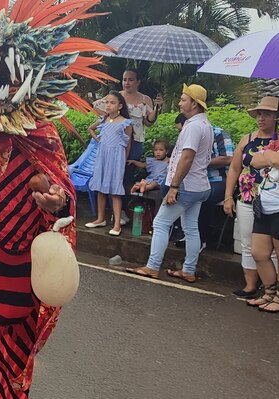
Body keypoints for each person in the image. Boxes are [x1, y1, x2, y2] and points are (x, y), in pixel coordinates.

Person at [126, 84, 213, 283]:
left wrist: (174, 187)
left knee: (161, 223)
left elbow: (187, 158)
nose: (180, 103)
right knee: (191, 228)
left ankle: (152, 266)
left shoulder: (193, 127)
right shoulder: (204, 124)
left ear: (194, 104)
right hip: (200, 186)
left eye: (183, 99)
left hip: (186, 186)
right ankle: (188, 270)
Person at [224, 97, 279, 298]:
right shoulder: (247, 140)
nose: (261, 118)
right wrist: (228, 196)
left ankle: (272, 288)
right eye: (259, 114)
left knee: (273, 247)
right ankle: (250, 284)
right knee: (248, 242)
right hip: (248, 197)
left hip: (273, 200)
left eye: (267, 114)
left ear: (276, 117)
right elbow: (234, 168)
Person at [85, 91, 133, 236]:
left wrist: (123, 160)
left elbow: (128, 144)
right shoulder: (103, 120)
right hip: (102, 157)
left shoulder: (125, 122)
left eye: (112, 103)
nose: (108, 105)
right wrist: (98, 140)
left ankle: (117, 224)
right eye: (107, 102)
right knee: (100, 188)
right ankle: (100, 219)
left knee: (115, 191)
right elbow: (90, 128)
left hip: (116, 159)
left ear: (120, 106)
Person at [119, 68, 163, 223]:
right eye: (124, 79)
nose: (127, 82)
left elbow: (149, 122)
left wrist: (157, 108)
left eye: (131, 79)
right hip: (117, 141)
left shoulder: (145, 99)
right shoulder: (117, 97)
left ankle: (123, 210)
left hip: (136, 141)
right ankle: (114, 210)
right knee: (114, 175)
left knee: (127, 175)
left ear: (138, 82)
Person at [246, 134, 279, 312]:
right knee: (259, 253)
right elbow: (254, 161)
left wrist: (268, 155)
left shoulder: (274, 149)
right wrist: (271, 156)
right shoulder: (277, 146)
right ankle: (269, 292)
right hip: (265, 207)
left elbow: (277, 161)